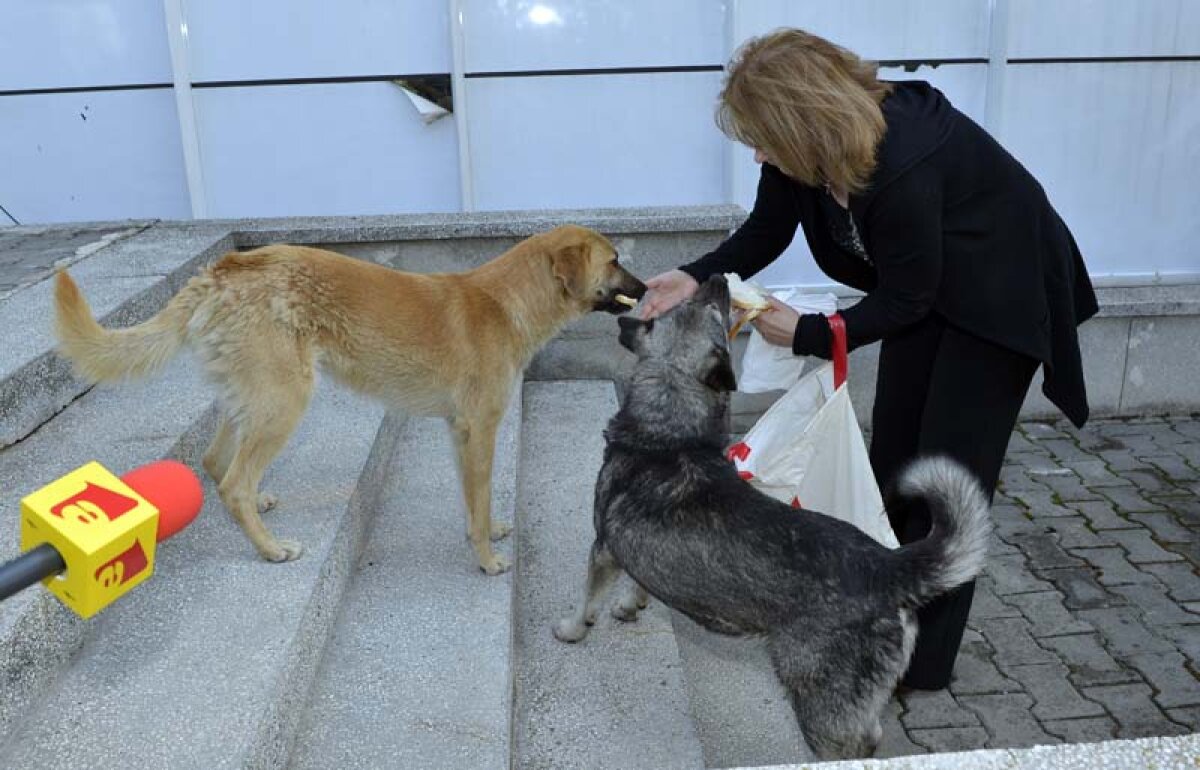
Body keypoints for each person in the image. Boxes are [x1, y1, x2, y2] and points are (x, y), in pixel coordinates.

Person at [639, 28, 1097, 691]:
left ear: (805, 123)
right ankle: (869, 614)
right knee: (894, 458)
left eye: (765, 139)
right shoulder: (803, 153)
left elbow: (908, 296)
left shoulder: (903, 163)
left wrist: (804, 332)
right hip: (929, 291)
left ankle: (919, 666)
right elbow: (769, 230)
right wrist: (694, 276)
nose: (759, 153)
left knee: (947, 477)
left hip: (1002, 294)